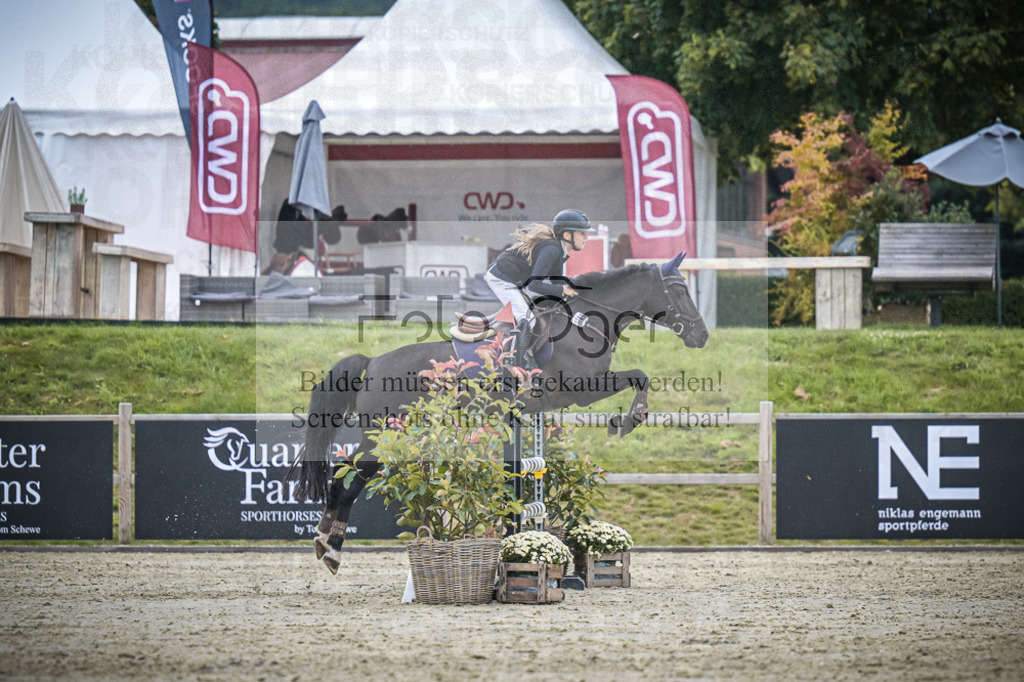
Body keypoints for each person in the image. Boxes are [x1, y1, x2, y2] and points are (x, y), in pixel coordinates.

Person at [484, 208, 596, 365]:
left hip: (514, 279)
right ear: (566, 235)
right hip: (501, 278)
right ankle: (514, 362)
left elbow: (557, 282)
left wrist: (575, 291)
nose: (586, 237)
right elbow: (534, 285)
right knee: (527, 319)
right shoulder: (552, 250)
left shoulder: (560, 250)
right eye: (582, 233)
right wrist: (563, 290)